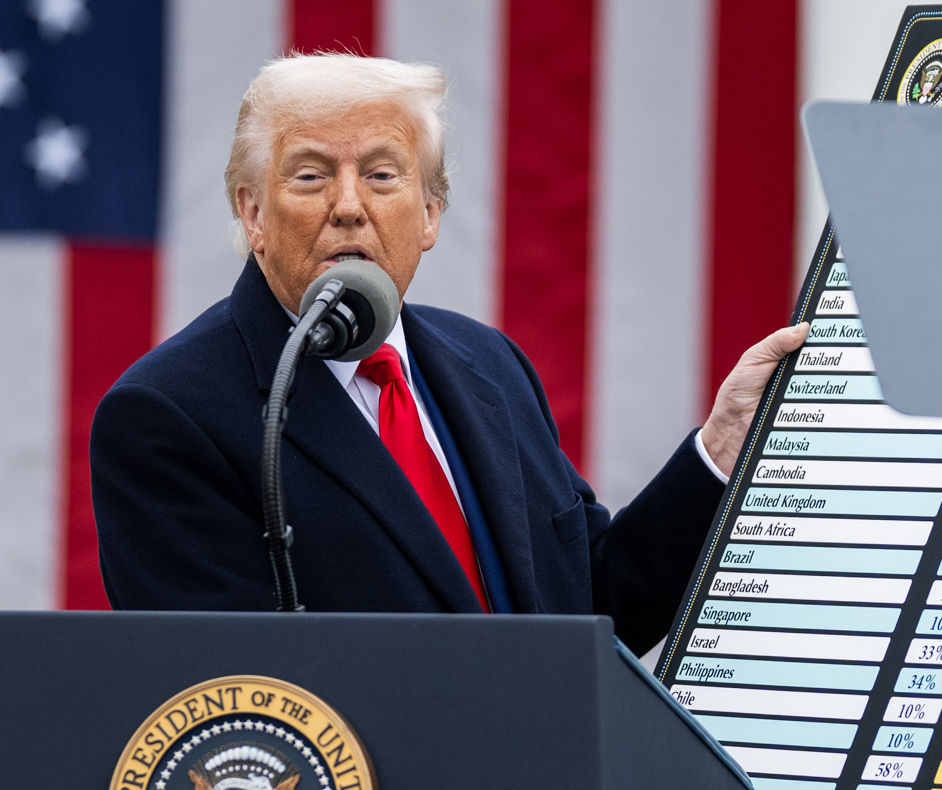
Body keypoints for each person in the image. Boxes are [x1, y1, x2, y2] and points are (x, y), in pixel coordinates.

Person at [90, 54, 806, 653]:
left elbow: (597, 606)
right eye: (309, 176)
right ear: (252, 213)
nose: (348, 205)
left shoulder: (487, 362)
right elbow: (234, 696)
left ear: (431, 213)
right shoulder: (166, 416)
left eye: (381, 175)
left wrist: (718, 452)